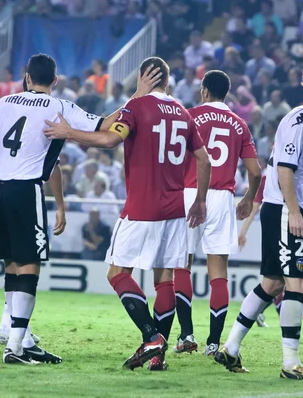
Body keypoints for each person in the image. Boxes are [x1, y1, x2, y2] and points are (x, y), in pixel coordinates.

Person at [0, 53, 157, 365]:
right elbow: (104, 124)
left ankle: (17, 335)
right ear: (55, 81)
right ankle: (16, 347)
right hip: (24, 189)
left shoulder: (3, 104)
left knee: (12, 263)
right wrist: (137, 96)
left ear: (27, 78)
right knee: (30, 265)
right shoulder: (59, 107)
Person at [44, 56, 211, 371]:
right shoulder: (183, 113)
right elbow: (204, 160)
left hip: (141, 207)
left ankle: (151, 337)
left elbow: (109, 139)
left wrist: (70, 133)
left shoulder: (137, 108)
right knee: (165, 280)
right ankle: (158, 358)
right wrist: (199, 200)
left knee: (117, 273)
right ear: (167, 79)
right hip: (175, 208)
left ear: (143, 76)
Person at [217, 72, 303, 379]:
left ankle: (229, 348)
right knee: (298, 283)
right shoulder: (301, 121)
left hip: (283, 208)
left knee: (273, 282)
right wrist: (295, 211)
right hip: (283, 209)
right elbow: (284, 169)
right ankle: (290, 363)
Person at [172, 70, 261, 357]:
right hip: (223, 197)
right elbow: (255, 172)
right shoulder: (239, 124)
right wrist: (248, 198)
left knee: (181, 265)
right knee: (218, 273)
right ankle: (213, 342)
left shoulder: (190, 115)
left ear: (205, 91)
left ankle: (186, 335)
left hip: (189, 192)